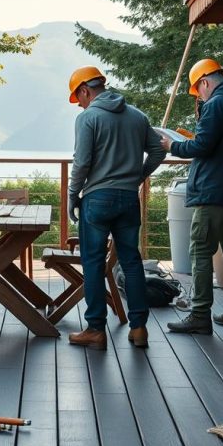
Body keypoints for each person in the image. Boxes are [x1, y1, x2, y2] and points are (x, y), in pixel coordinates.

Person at [66, 66, 167, 350]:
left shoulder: (88, 118)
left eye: (79, 98)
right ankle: (139, 328)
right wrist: (139, 175)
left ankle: (96, 329)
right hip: (127, 199)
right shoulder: (137, 116)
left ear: (85, 90)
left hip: (97, 200)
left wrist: (73, 195)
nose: (81, 104)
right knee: (131, 262)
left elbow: (82, 162)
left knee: (94, 263)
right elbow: (159, 149)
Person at [160, 58, 223, 334]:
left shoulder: (216, 105)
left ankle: (200, 315)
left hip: (214, 194)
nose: (200, 97)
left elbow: (203, 145)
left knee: (201, 252)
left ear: (204, 82)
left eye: (198, 90)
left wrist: (174, 145)